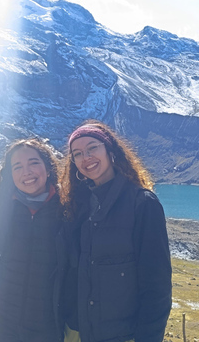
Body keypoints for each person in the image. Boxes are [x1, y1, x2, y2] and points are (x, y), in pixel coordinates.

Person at [59, 121, 172, 342]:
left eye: (93, 148)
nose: (86, 157)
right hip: (75, 330)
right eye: (78, 153)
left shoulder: (142, 204)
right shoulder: (76, 205)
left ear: (111, 151)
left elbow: (156, 287)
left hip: (120, 335)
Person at [0, 139, 65, 342]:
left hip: (48, 322)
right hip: (2, 318)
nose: (26, 172)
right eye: (18, 167)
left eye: (33, 163)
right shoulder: (3, 208)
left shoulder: (68, 208)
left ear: (48, 168)